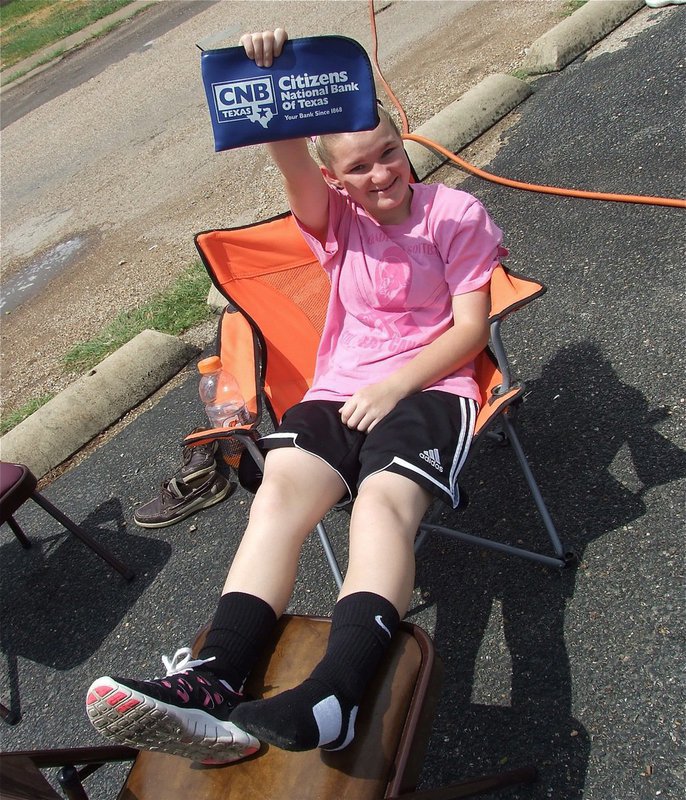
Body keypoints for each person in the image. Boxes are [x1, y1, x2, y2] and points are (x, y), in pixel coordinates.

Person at [85, 27, 507, 764]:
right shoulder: (333, 222)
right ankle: (215, 682)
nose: (380, 174)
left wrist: (396, 383)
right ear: (335, 180)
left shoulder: (454, 216)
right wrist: (271, 75)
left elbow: (470, 330)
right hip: (340, 390)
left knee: (380, 505)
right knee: (278, 489)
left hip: (431, 386)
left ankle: (339, 693)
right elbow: (291, 162)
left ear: (401, 143)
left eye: (387, 153)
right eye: (358, 167)